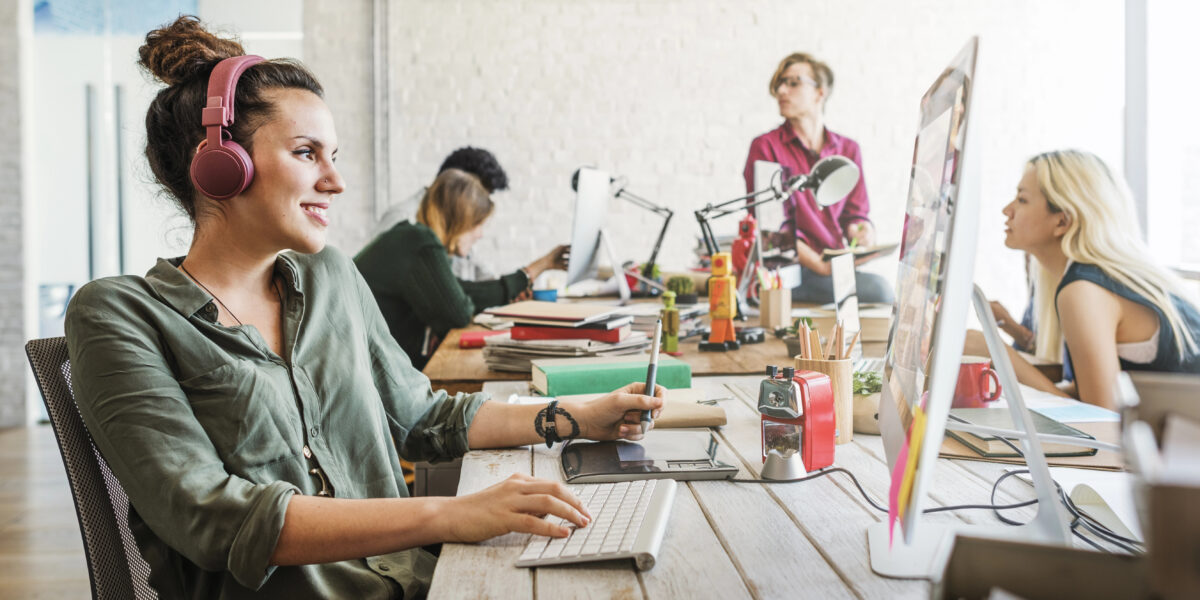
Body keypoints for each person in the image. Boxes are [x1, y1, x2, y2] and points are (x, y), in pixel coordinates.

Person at [64, 16, 663, 598]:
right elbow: (215, 517)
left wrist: (578, 417)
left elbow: (423, 417)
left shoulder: (331, 276)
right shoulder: (118, 315)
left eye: (335, 155)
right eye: (307, 153)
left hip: (415, 582)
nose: (336, 181)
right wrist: (451, 515)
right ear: (220, 164)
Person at [985, 149, 1200, 408]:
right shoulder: (1097, 279)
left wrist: (993, 351)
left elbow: (1101, 417)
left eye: (1022, 199)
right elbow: (1093, 392)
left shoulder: (1084, 289)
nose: (1007, 210)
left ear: (1062, 221)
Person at [355, 168, 568, 369]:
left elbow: (458, 292)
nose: (480, 234)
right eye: (479, 224)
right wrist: (528, 274)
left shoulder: (412, 238)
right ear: (461, 220)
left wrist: (534, 270)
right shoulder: (420, 242)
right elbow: (457, 313)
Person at [743, 52, 893, 304]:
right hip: (789, 270)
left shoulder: (848, 150)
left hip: (832, 265)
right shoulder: (765, 147)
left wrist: (862, 231)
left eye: (793, 82)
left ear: (819, 93)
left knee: (880, 292)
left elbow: (856, 214)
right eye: (780, 84)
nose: (781, 91)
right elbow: (771, 231)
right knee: (881, 290)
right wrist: (821, 266)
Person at [372, 146, 511, 281]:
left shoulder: (454, 226)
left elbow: (472, 271)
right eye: (478, 196)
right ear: (457, 186)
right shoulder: (402, 219)